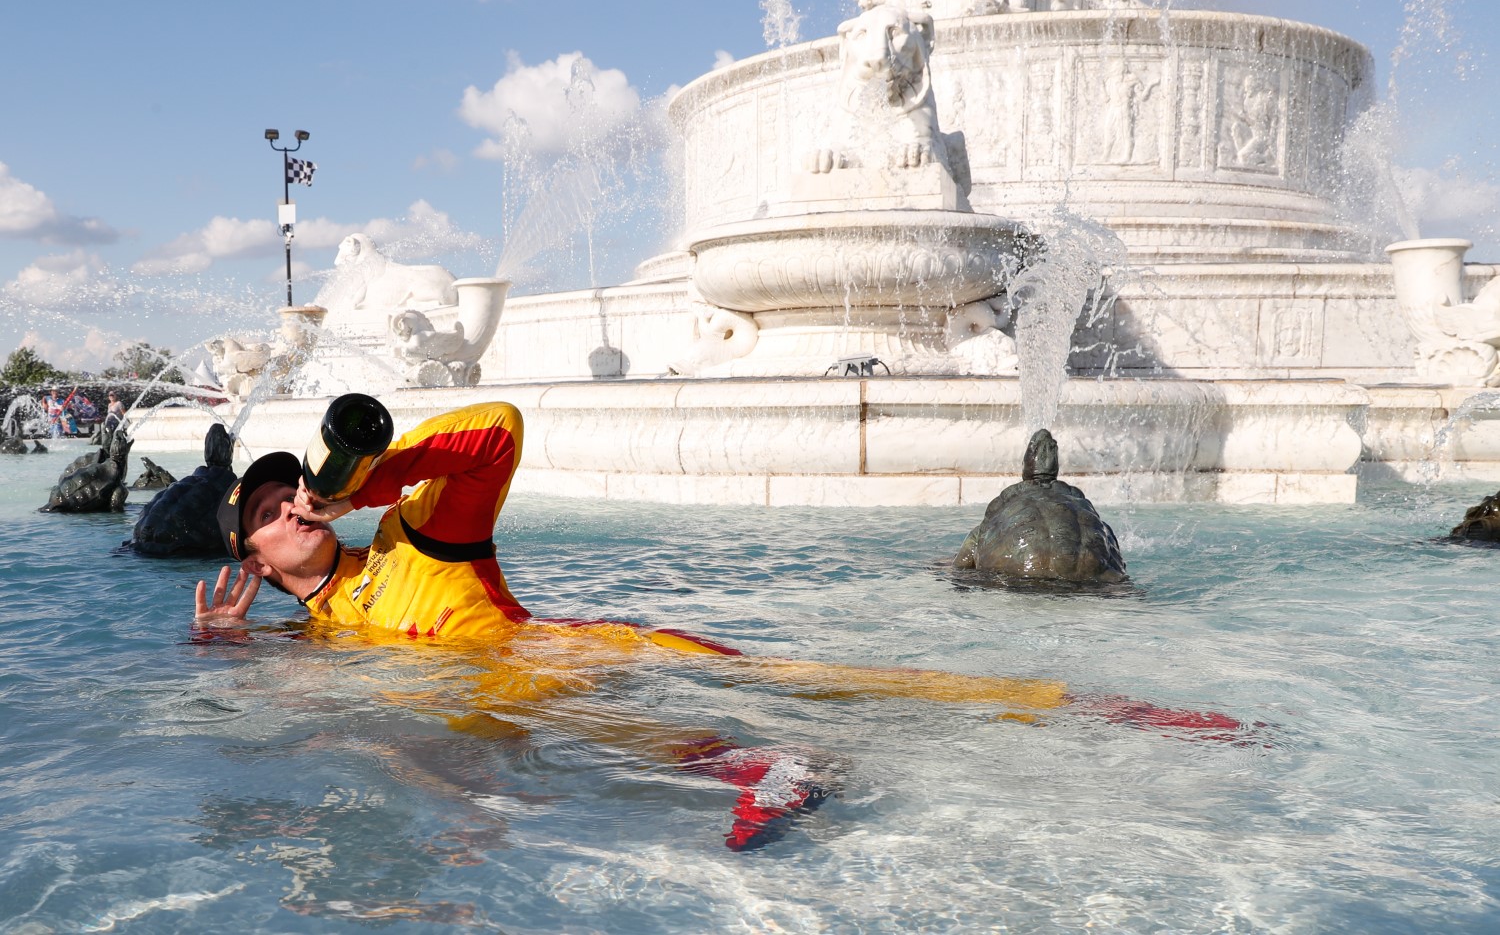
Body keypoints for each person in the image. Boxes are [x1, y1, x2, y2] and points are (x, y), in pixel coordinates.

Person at [196, 399, 1257, 849]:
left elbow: (498, 433)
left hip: (583, 650)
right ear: (250, 557)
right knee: (583, 730)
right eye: (268, 511)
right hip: (531, 689)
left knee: (826, 675)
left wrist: (376, 475)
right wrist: (230, 658)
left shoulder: (414, 536)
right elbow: (301, 711)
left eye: (297, 490)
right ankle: (780, 772)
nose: (293, 506)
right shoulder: (310, 639)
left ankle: (1092, 706)